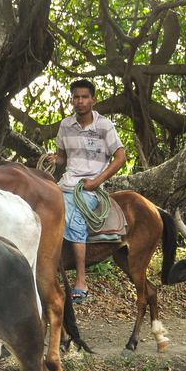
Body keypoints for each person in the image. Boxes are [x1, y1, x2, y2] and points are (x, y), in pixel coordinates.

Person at [46, 79, 126, 303]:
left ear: (93, 100)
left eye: (84, 97)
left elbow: (120, 157)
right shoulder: (65, 125)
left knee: (73, 217)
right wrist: (55, 159)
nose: (79, 101)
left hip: (89, 190)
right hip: (65, 184)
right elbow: (62, 156)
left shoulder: (104, 126)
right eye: (75, 97)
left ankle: (81, 280)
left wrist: (96, 181)